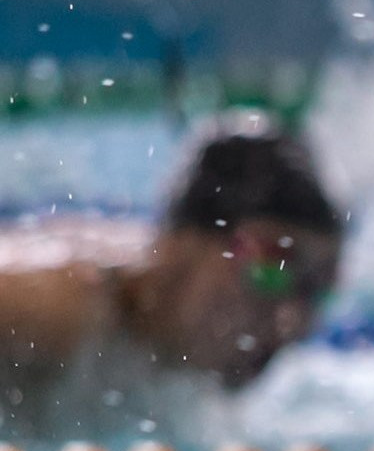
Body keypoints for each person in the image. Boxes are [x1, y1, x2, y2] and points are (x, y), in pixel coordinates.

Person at [0, 114, 344, 425]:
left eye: (317, 284)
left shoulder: (179, 373)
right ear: (182, 243)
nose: (293, 319)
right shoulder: (54, 310)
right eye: (271, 267)